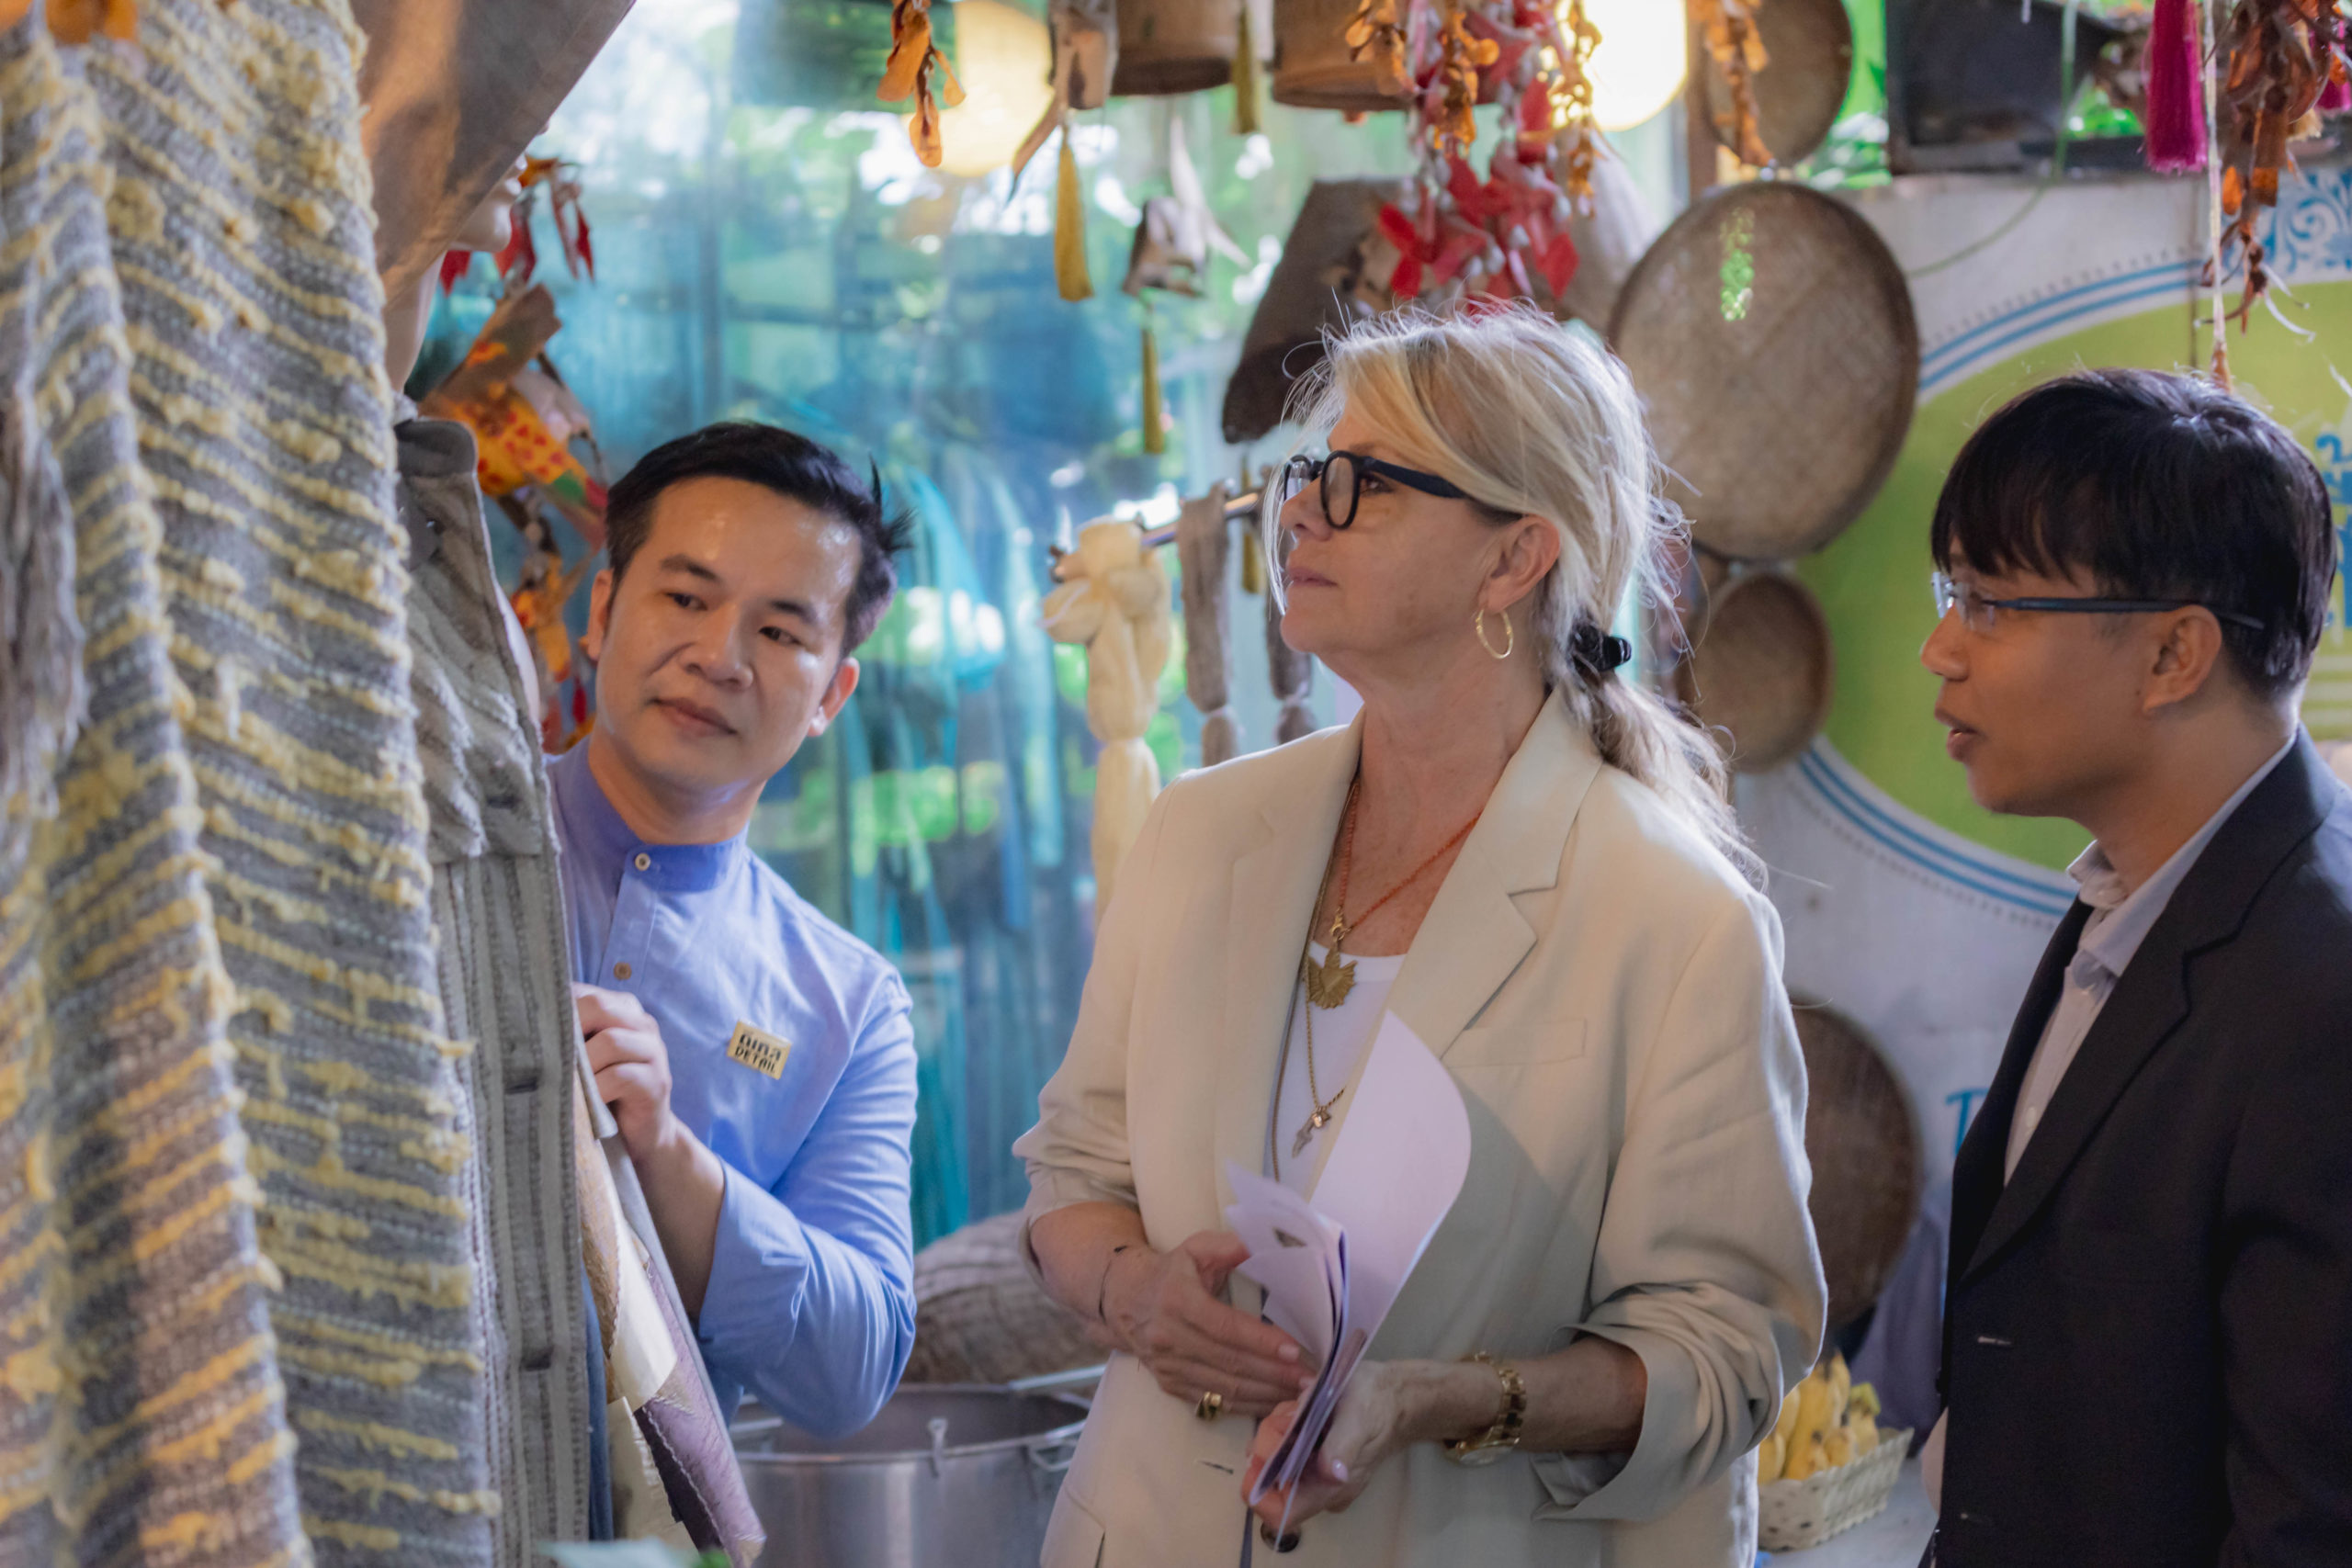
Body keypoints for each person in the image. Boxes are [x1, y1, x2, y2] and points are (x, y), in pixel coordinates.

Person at [1012, 305, 1826, 1568]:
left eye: (1363, 483)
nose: (1300, 512)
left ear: (1514, 560)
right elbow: (1072, 1176)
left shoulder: (1673, 917)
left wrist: (1437, 1397)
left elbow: (1723, 1352)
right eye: (1307, 472)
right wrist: (1137, 1293)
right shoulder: (1198, 832)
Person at [1917, 369, 2352, 1567]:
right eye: (1952, 594)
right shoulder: (2137, 886)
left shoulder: (2321, 988)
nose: (1940, 649)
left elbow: (2309, 1521)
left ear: (2172, 652)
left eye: (1991, 602)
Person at [550, 421, 921, 1434]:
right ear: (602, 610)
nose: (718, 657)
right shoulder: (438, 835)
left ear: (831, 694)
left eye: (781, 633)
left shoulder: (850, 1008)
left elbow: (857, 1369)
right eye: (686, 598)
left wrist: (668, 1155)